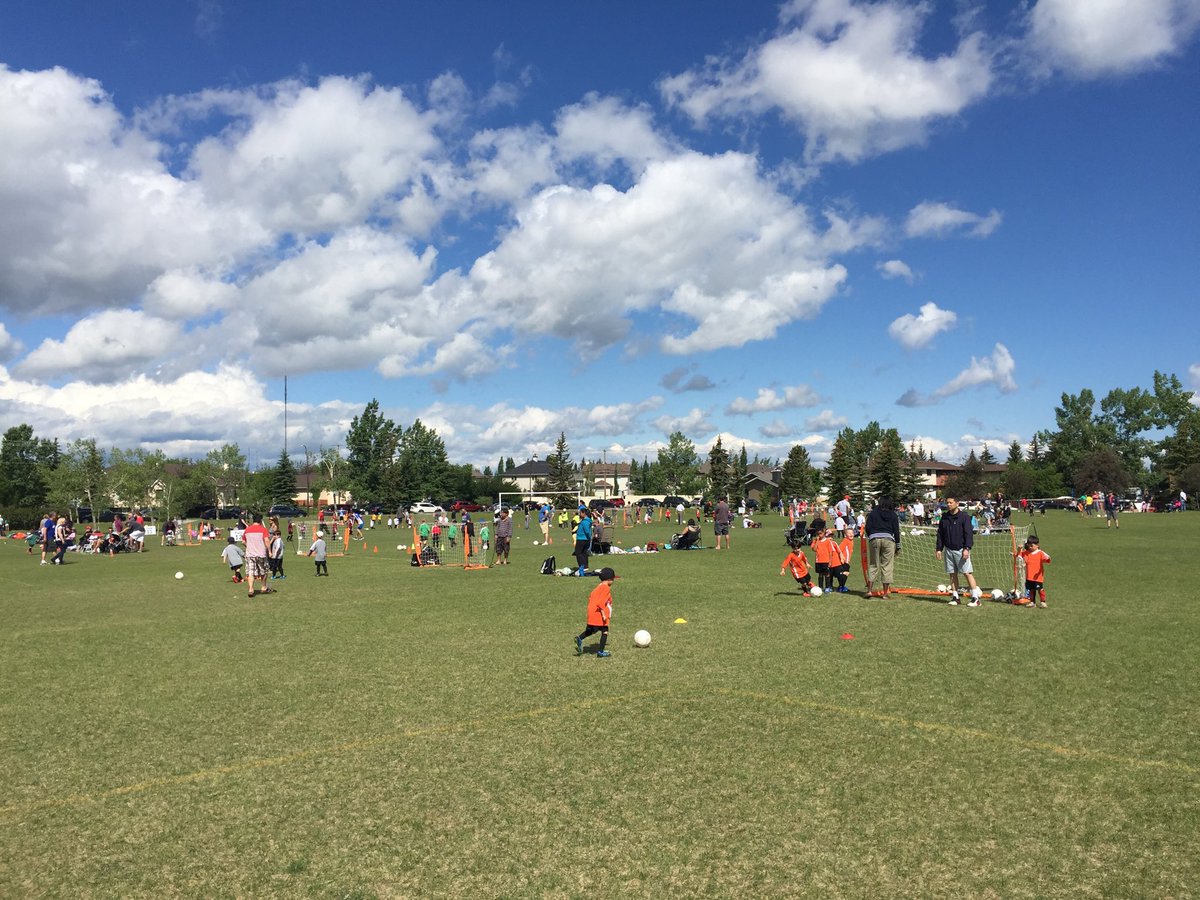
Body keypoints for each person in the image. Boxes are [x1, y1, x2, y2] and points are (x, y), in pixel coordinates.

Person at [936, 496, 981, 606]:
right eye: (947, 503)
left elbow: (968, 534)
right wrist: (939, 549)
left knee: (967, 573)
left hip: (961, 550)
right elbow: (940, 534)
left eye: (951, 502)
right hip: (948, 550)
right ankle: (955, 597)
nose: (948, 505)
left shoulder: (964, 517)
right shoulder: (945, 517)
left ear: (957, 503)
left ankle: (975, 598)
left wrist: (967, 548)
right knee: (952, 574)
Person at [574, 566, 617, 658]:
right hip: (599, 614)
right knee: (605, 630)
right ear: (609, 579)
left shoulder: (598, 587)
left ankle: (580, 638)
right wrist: (603, 613)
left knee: (592, 630)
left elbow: (591, 598)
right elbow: (601, 602)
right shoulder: (606, 588)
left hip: (592, 612)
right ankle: (600, 652)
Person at [864, 496, 901, 599]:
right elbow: (896, 531)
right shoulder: (893, 515)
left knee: (873, 565)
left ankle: (870, 591)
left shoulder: (873, 513)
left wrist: (871, 535)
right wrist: (898, 546)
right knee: (887, 566)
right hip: (889, 540)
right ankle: (885, 594)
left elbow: (867, 527)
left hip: (874, 539)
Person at [1015, 535, 1052, 607]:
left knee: (1040, 589)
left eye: (1032, 545)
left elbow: (1047, 559)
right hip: (1029, 576)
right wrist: (1019, 548)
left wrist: (1047, 557)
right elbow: (1018, 555)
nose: (1030, 547)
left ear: (1037, 545)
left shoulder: (1040, 553)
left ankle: (1043, 602)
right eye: (1029, 545)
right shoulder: (1026, 553)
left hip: (1038, 577)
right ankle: (1032, 602)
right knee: (1031, 590)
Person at [243, 513, 273, 597]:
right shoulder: (263, 529)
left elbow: (243, 541)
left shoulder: (247, 530)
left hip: (250, 554)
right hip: (261, 554)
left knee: (250, 572)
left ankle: (251, 589)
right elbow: (266, 541)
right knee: (264, 571)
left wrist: (248, 546)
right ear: (260, 520)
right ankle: (263, 587)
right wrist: (270, 551)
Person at [573, 508, 593, 576]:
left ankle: (582, 566)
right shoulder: (586, 521)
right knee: (584, 553)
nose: (579, 514)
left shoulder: (585, 522)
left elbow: (587, 531)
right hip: (585, 539)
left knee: (578, 553)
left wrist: (589, 538)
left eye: (580, 513)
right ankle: (585, 567)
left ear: (584, 513)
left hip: (582, 539)